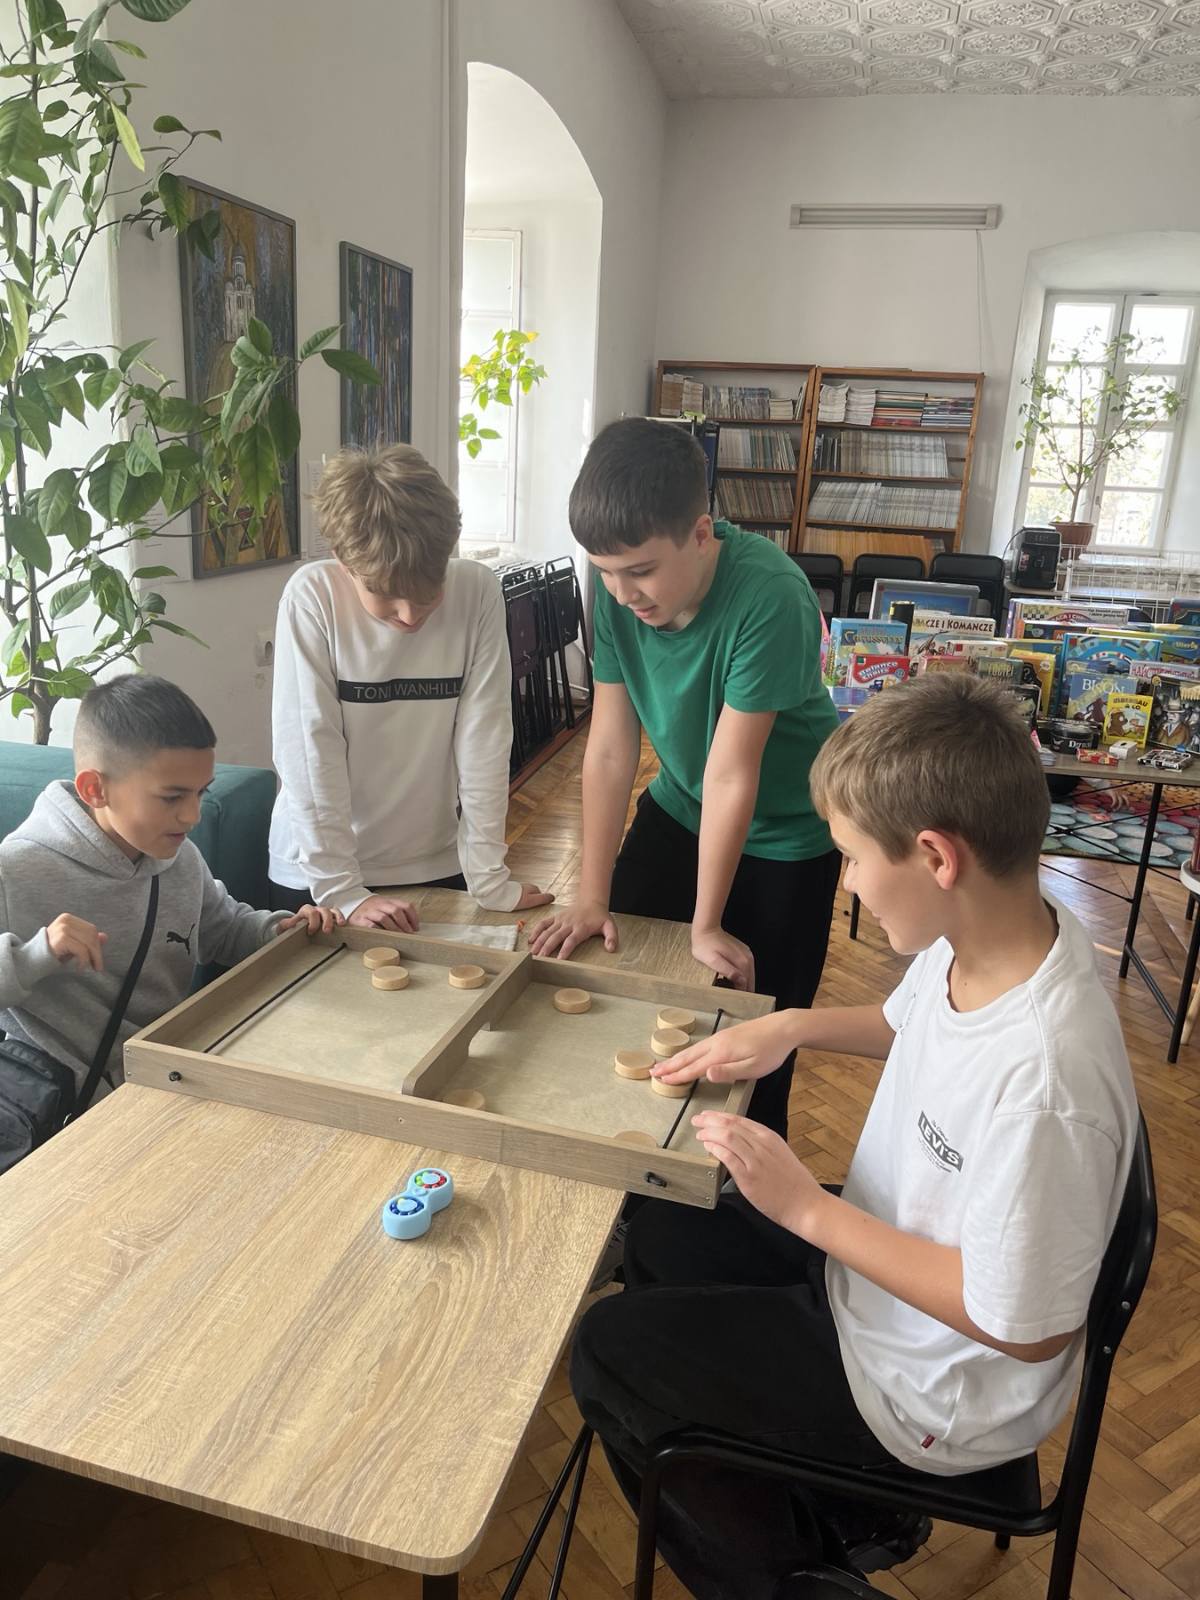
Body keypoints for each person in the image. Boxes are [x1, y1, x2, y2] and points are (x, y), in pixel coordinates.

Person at [570, 674, 1139, 1598]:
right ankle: (820, 1498)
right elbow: (907, 1024)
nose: (849, 884)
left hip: (928, 1393)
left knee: (606, 1353)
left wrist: (805, 1211)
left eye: (852, 858)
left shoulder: (1047, 1080)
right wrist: (788, 1027)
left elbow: (1025, 1327)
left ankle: (805, 1567)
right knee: (665, 1223)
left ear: (935, 857)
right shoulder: (989, 933)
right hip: (874, 1282)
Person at [530, 418, 840, 1136]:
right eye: (605, 571)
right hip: (682, 805)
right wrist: (591, 896)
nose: (622, 592)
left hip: (787, 834)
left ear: (701, 534)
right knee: (622, 985)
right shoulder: (617, 590)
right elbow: (610, 750)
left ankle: (738, 1190)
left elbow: (734, 774)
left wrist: (706, 922)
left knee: (754, 1047)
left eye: (640, 571)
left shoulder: (771, 594)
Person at [0, 674, 337, 1100]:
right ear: (95, 789)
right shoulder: (14, 870)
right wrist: (37, 954)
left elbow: (225, 930)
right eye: (172, 797)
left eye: (201, 793)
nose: (193, 815)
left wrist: (284, 931)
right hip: (66, 1112)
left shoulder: (180, 858)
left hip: (167, 1081)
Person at [268, 444, 550, 929]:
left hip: (433, 860)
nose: (409, 615)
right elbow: (309, 750)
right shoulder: (312, 597)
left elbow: (485, 739)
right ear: (343, 561)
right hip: (317, 873)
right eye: (385, 595)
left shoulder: (477, 591)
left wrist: (488, 875)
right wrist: (343, 891)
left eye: (428, 592)